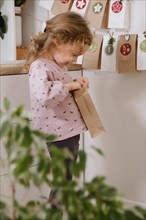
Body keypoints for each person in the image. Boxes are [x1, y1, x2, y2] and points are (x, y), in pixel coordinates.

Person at [25, 11, 93, 205]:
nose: (74, 60)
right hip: (58, 133)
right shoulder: (39, 66)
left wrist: (75, 82)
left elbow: (61, 93)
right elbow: (46, 96)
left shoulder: (57, 66)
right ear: (57, 41)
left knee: (66, 179)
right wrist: (69, 86)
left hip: (68, 131)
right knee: (62, 182)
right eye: (74, 54)